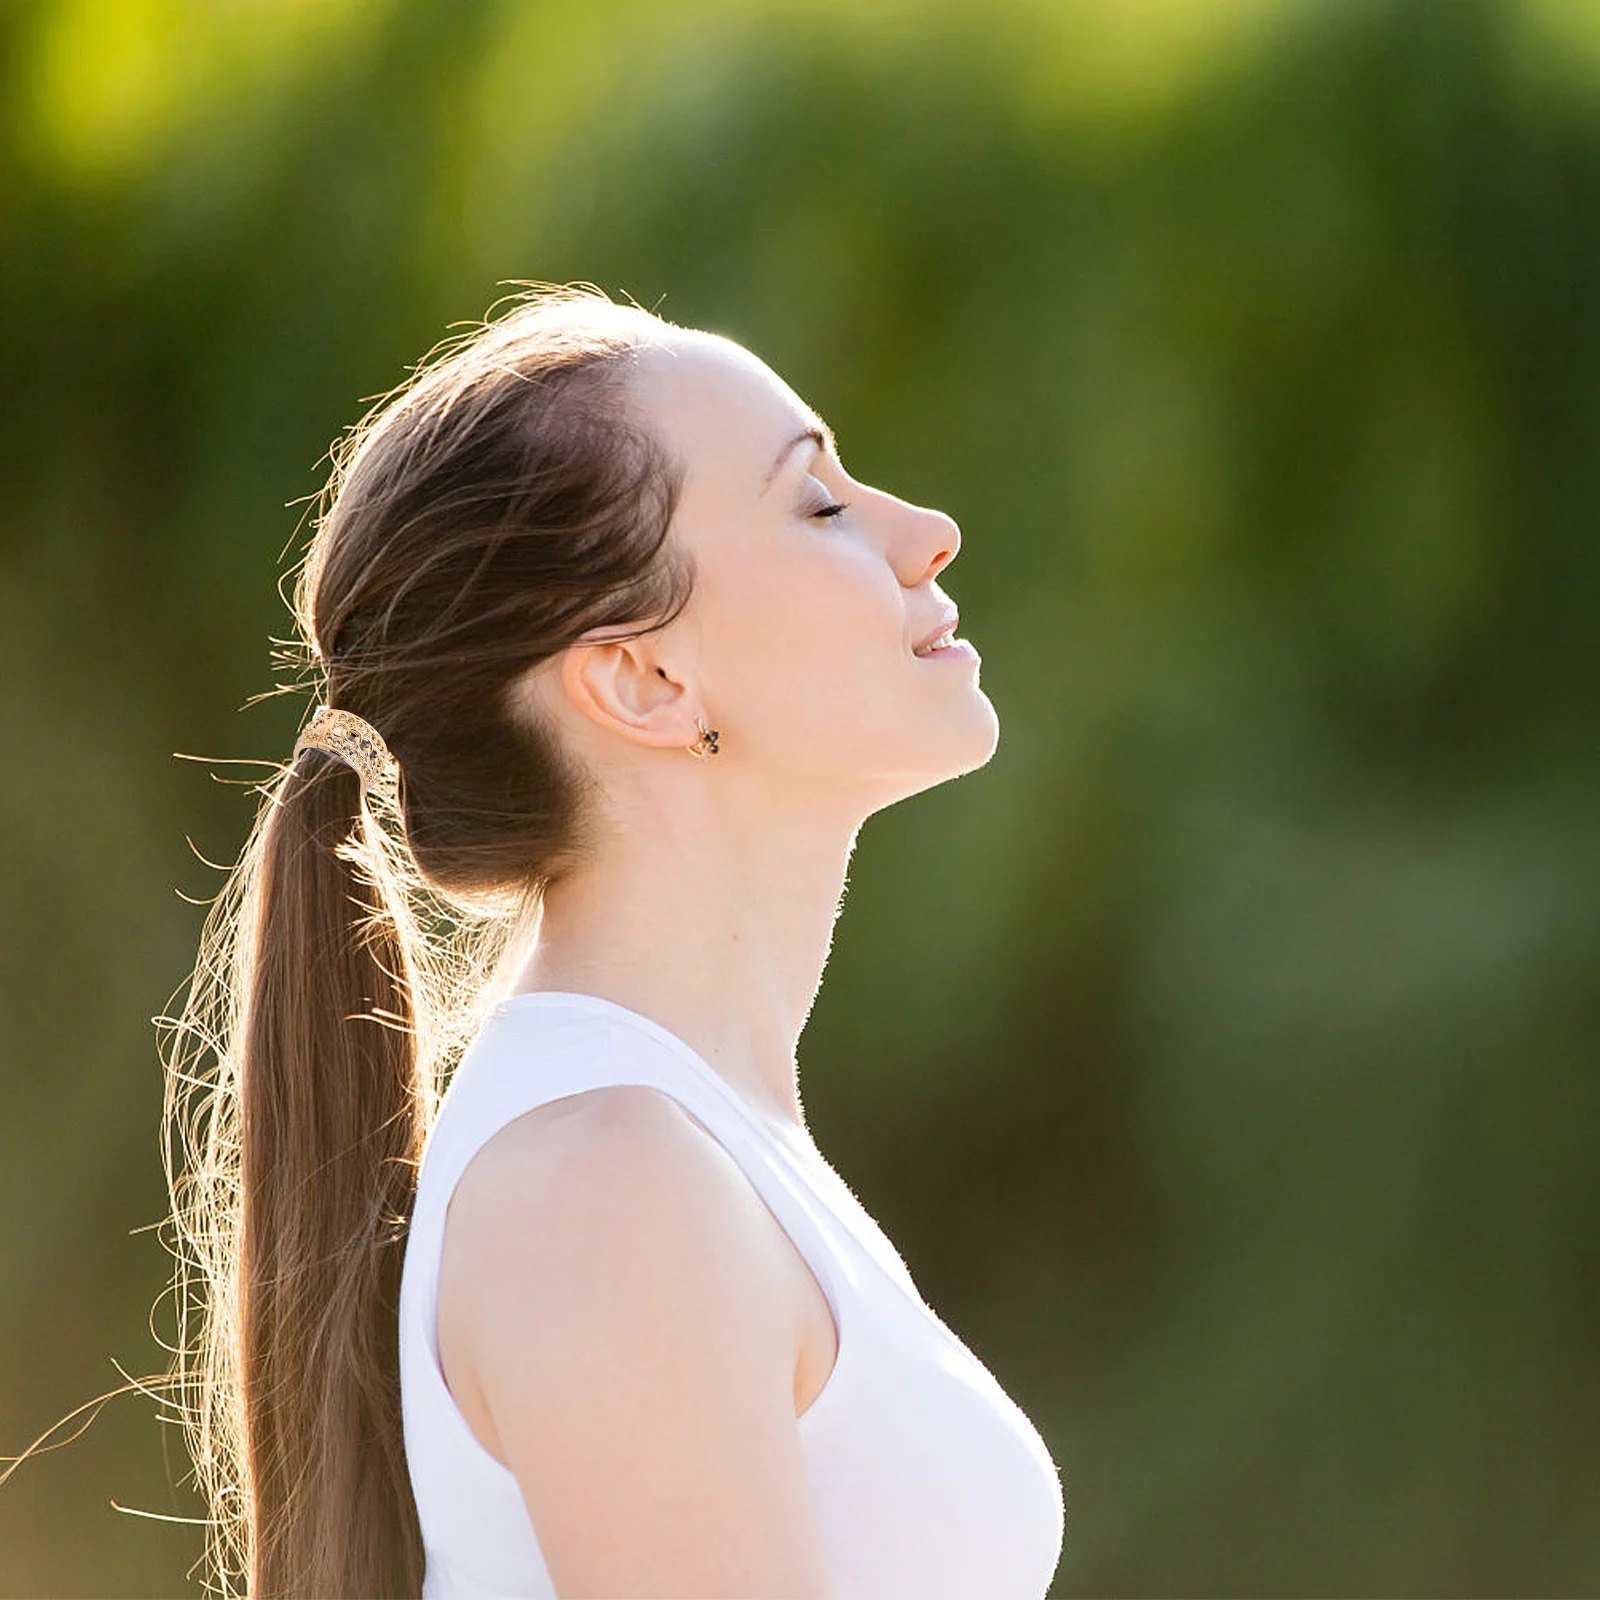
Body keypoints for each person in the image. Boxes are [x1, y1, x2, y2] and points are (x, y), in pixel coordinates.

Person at [159, 284, 1066, 1598]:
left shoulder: (680, 1146)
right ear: (643, 681)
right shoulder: (607, 1182)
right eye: (818, 502)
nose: (927, 535)